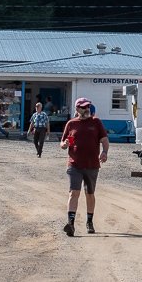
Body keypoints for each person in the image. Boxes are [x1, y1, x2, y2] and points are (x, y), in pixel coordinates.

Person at [60, 97, 109, 236]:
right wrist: (64, 145)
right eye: (83, 107)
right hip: (74, 165)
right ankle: (71, 224)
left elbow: (105, 140)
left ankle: (89, 222)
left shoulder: (96, 122)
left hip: (92, 165)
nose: (87, 109)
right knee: (73, 193)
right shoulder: (71, 124)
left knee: (90, 193)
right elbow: (63, 142)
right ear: (77, 109)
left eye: (88, 106)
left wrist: (104, 152)